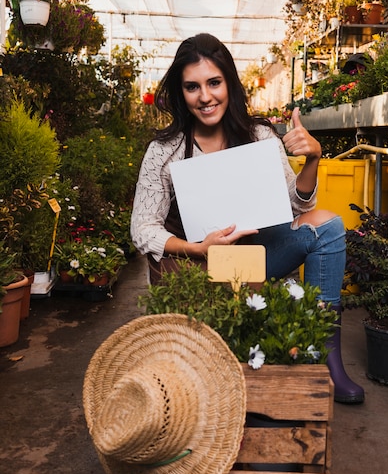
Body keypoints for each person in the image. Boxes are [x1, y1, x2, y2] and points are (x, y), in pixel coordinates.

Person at [131, 32, 364, 404]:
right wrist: (198, 247)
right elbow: (142, 229)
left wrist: (313, 160)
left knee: (328, 226)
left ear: (229, 83)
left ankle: (326, 357)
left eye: (214, 83)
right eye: (192, 87)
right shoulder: (165, 150)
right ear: (181, 92)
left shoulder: (258, 136)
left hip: (254, 257)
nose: (205, 97)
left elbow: (297, 206)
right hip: (195, 269)